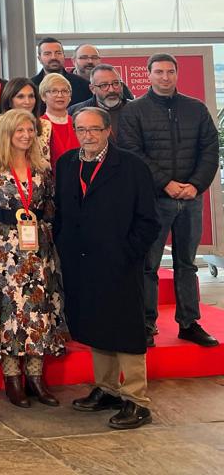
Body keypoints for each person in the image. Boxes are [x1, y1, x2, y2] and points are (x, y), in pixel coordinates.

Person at [55, 108, 160, 430]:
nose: (87, 136)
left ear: (108, 130)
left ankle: (137, 400)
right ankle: (108, 388)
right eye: (81, 129)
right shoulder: (67, 164)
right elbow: (62, 211)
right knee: (96, 325)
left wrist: (128, 253)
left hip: (119, 262)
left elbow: (149, 220)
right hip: (81, 262)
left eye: (94, 130)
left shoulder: (131, 166)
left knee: (125, 328)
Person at [118, 53, 220, 348]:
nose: (165, 77)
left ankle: (189, 323)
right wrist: (166, 183)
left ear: (177, 74)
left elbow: (210, 149)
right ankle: (147, 324)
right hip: (154, 200)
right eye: (159, 72)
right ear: (148, 75)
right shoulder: (133, 111)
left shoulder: (196, 109)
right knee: (148, 265)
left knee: (186, 264)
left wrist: (195, 185)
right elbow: (133, 152)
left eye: (170, 72)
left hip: (190, 198)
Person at [0, 109, 66, 408]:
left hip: (38, 249)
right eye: (19, 131)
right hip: (3, 251)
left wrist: (48, 242)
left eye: (30, 130)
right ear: (7, 133)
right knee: (9, 312)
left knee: (37, 311)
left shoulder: (43, 167)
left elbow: (50, 206)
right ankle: (13, 380)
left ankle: (36, 379)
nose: (26, 136)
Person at [0, 78, 50, 161]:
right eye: (20, 97)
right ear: (10, 101)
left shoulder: (46, 125)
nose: (27, 101)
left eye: (31, 96)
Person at [70, 64, 131, 136]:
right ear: (92, 89)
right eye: (104, 85)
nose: (111, 90)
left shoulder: (136, 109)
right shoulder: (75, 112)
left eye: (116, 83)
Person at [33, 37, 93, 108]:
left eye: (58, 53)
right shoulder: (32, 86)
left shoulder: (83, 85)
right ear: (39, 59)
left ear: (64, 56)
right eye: (47, 54)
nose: (53, 57)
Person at [39, 72, 78, 162]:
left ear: (70, 97)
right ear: (43, 96)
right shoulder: (39, 126)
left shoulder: (78, 123)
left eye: (64, 91)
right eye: (54, 91)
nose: (60, 95)